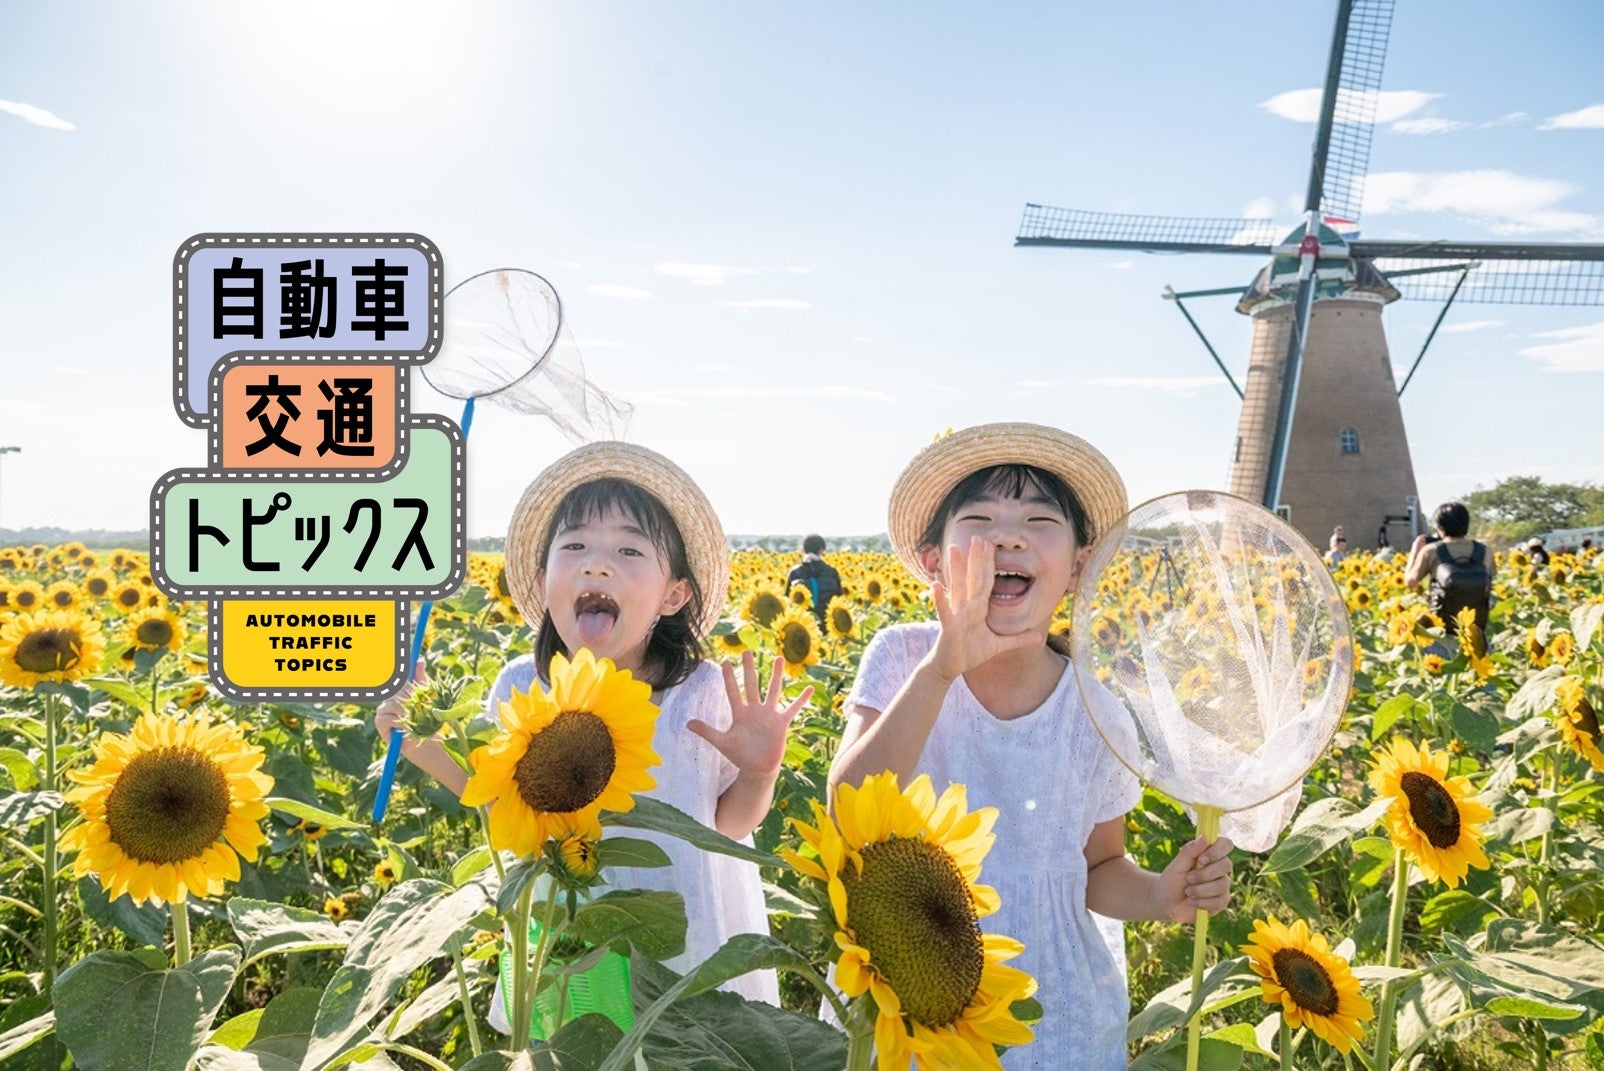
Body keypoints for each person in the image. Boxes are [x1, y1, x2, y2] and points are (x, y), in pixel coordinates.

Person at [829, 423, 1234, 1069]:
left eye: (1040, 518)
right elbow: (847, 804)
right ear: (935, 559)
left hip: (1055, 998)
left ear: (1078, 565)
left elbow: (1099, 868)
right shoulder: (905, 657)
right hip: (907, 975)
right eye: (981, 516)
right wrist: (940, 670)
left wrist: (1161, 895)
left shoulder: (1094, 709)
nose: (1008, 534)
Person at [375, 442, 810, 1026]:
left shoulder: (700, 693)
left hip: (685, 936)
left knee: (681, 1051)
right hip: (568, 924)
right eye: (574, 545)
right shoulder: (523, 688)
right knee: (576, 1044)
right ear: (542, 579)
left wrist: (759, 770)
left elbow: (730, 826)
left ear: (673, 595)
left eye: (629, 549)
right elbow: (506, 800)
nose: (595, 564)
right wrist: (424, 745)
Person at [1405, 500, 1492, 637]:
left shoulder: (1431, 550)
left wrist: (1415, 550)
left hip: (1440, 630)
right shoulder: (1484, 551)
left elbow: (1411, 582)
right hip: (1475, 632)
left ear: (1440, 527)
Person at [785, 533, 843, 625]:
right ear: (821, 550)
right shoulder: (832, 572)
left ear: (804, 549)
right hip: (830, 625)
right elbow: (840, 600)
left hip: (803, 628)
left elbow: (787, 602)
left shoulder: (795, 572)